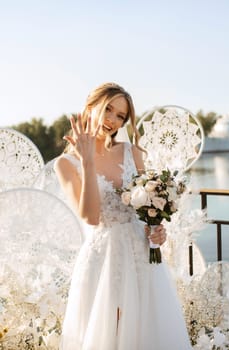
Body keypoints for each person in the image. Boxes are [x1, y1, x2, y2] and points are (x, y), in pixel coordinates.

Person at [54, 82, 192, 350]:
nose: (112, 120)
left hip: (142, 256)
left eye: (121, 116)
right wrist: (88, 162)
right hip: (103, 259)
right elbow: (91, 218)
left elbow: (148, 208)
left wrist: (156, 231)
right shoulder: (65, 164)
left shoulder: (133, 152)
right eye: (108, 109)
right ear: (90, 106)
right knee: (109, 332)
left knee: (146, 331)